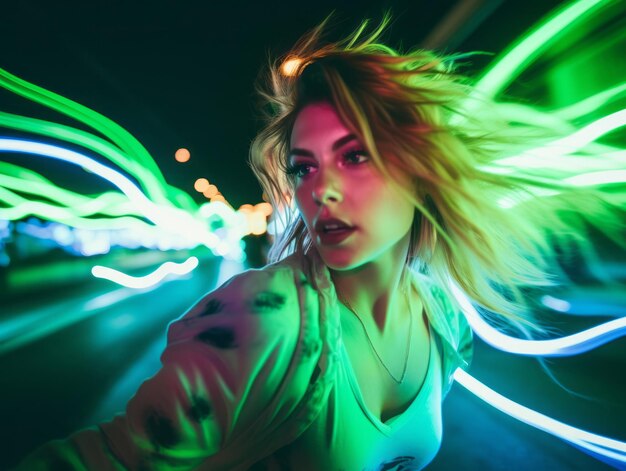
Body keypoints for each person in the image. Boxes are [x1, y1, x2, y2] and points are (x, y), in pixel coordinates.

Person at [14, 13, 623, 471]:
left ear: (418, 166)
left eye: (355, 155)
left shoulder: (444, 324)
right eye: (305, 167)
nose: (321, 189)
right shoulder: (264, 322)